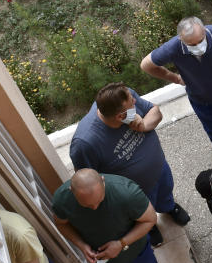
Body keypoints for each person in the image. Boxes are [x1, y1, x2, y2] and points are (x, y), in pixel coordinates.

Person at [69, 83, 191, 250]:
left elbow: (154, 111)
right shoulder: (84, 144)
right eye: (132, 103)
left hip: (159, 169)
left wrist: (144, 125)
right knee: (142, 214)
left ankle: (169, 207)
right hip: (136, 193)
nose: (135, 100)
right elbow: (89, 180)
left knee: (165, 191)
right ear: (120, 117)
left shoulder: (125, 96)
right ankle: (149, 226)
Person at [140, 17, 212, 168]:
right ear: (181, 39)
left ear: (204, 30)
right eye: (192, 44)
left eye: (201, 40)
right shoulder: (173, 47)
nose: (198, 47)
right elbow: (146, 64)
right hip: (200, 98)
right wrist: (174, 78)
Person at [52, 170, 166, 263]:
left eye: (99, 201)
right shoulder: (62, 201)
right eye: (87, 205)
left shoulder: (127, 193)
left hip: (137, 250)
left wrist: (121, 244)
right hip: (107, 259)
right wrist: (81, 245)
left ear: (103, 181)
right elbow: (61, 223)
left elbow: (150, 219)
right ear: (71, 191)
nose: (94, 207)